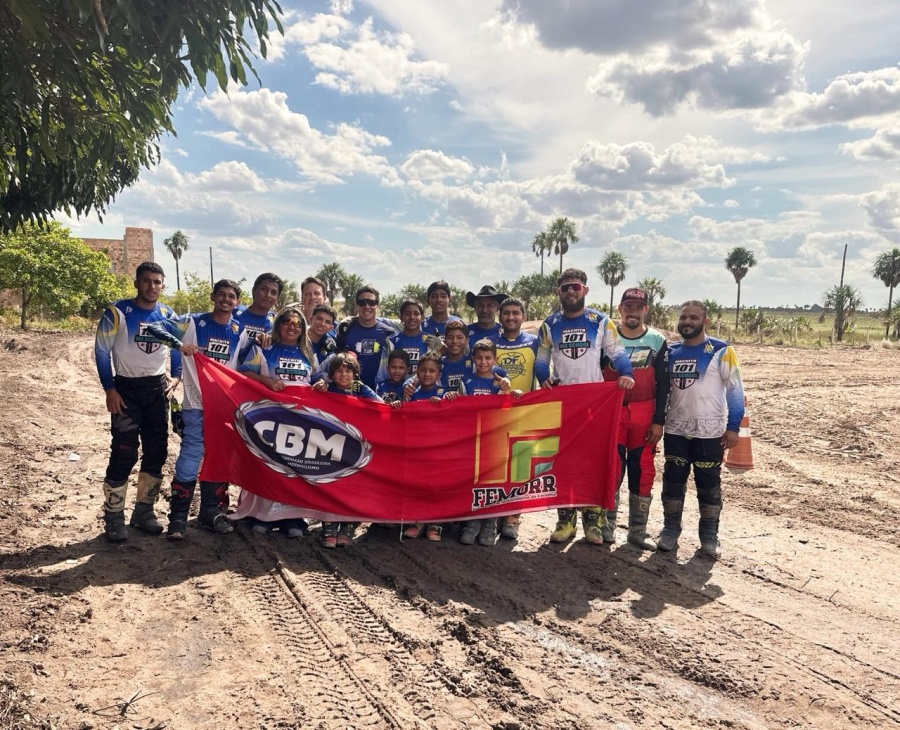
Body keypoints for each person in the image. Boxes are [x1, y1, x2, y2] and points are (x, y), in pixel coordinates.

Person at [535, 268, 635, 545]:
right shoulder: (549, 324)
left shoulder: (601, 321)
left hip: (594, 404)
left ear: (585, 290)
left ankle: (593, 521)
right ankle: (565, 521)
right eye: (565, 287)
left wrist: (627, 373)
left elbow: (617, 352)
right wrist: (543, 378)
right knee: (563, 461)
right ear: (558, 292)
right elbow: (542, 358)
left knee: (594, 461)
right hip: (563, 403)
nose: (570, 291)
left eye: (575, 287)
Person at [145, 279, 245, 540]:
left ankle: (210, 513)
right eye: (221, 294)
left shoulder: (240, 331)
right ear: (213, 297)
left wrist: (266, 343)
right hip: (196, 405)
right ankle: (177, 518)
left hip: (224, 409)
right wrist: (178, 345)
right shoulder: (191, 322)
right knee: (191, 456)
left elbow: (251, 365)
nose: (226, 299)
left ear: (237, 302)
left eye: (231, 296)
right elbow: (154, 327)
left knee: (218, 458)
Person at [94, 262, 181, 542]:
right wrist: (110, 389)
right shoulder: (117, 312)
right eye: (146, 281)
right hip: (126, 391)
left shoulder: (168, 314)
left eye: (157, 282)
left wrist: (176, 376)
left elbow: (177, 347)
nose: (151, 286)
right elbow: (101, 351)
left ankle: (144, 512)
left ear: (162, 285)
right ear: (136, 283)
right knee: (123, 452)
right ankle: (113, 517)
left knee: (157, 451)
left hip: (157, 391)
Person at [659, 301, 744, 558]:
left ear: (705, 322)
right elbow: (661, 391)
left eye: (693, 317)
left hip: (710, 433)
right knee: (672, 484)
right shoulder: (671, 352)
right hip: (676, 431)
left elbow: (735, 391)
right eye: (683, 317)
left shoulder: (721, 350)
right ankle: (670, 530)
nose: (687, 321)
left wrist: (733, 427)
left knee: (709, 486)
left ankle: (709, 536)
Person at [234, 306, 320, 538]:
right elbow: (244, 372)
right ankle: (262, 516)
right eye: (287, 322)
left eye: (297, 323)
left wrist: (322, 383)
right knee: (268, 465)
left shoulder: (308, 354)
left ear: (303, 329)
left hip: (300, 422)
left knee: (295, 467)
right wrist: (268, 382)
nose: (292, 327)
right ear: (278, 325)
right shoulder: (264, 349)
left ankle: (292, 518)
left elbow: (319, 378)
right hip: (269, 418)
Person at [601, 288, 670, 550]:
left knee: (643, 469)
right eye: (628, 307)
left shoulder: (656, 340)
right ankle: (607, 525)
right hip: (613, 411)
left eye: (638, 307)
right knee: (613, 466)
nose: (632, 312)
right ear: (620, 309)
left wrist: (659, 420)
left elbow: (664, 383)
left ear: (646, 310)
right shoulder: (607, 337)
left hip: (645, 412)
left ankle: (638, 531)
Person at [444, 339, 518, 547]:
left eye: (488, 358)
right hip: (472, 438)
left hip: (495, 438)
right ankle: (472, 522)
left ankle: (490, 523)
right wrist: (452, 396)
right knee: (474, 480)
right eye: (479, 358)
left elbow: (510, 396)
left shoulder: (500, 380)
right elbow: (458, 408)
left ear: (495, 359)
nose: (483, 362)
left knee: (493, 480)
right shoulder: (466, 381)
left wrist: (511, 390)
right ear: (473, 359)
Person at [312, 353, 384, 548]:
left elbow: (381, 407)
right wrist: (319, 386)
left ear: (355, 373)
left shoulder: (361, 389)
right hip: (330, 446)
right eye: (339, 371)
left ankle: (349, 526)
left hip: (356, 447)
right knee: (329, 484)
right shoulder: (326, 388)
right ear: (331, 374)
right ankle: (329, 526)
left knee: (355, 486)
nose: (343, 374)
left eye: (348, 371)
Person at [491, 296, 540, 539]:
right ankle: (492, 514)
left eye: (515, 313)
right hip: (495, 414)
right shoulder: (489, 343)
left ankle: (513, 516)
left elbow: (544, 370)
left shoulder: (535, 342)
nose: (511, 317)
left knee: (520, 466)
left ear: (523, 316)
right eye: (506, 313)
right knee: (494, 465)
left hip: (524, 412)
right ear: (500, 316)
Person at [397, 352, 448, 542]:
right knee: (417, 484)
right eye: (423, 370)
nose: (427, 374)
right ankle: (416, 521)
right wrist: (399, 404)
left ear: (439, 374)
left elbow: (454, 417)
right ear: (416, 372)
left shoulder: (444, 394)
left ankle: (435, 523)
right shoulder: (410, 394)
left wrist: (444, 404)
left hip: (438, 450)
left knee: (436, 485)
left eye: (432, 371)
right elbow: (401, 417)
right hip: (416, 448)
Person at [336, 286, 396, 389]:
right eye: (362, 302)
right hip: (351, 390)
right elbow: (336, 363)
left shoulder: (389, 333)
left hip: (380, 392)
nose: (367, 306)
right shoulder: (345, 331)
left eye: (371, 302)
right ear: (356, 306)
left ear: (377, 306)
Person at [385, 299, 429, 375]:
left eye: (416, 313)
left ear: (422, 318)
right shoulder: (391, 340)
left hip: (421, 382)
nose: (412, 317)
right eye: (407, 314)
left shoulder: (429, 340)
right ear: (401, 317)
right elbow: (384, 372)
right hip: (397, 382)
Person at [233, 273, 280, 343]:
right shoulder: (234, 313)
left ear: (277, 298)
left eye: (273, 292)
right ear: (254, 290)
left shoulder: (277, 323)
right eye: (264, 289)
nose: (268, 295)